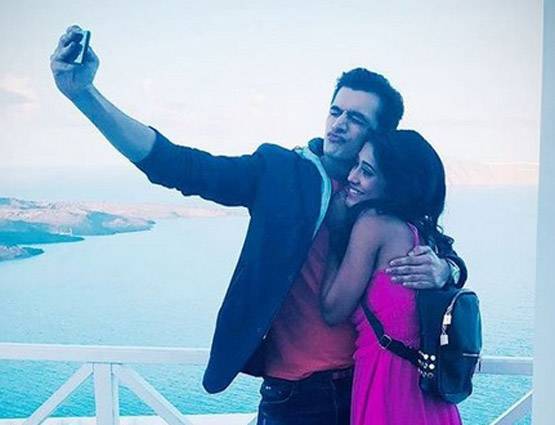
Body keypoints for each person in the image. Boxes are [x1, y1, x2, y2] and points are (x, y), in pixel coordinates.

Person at [50, 25, 467, 425]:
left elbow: (439, 250)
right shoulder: (280, 173)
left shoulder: (384, 197)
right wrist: (85, 95)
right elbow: (179, 166)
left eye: (356, 119)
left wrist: (447, 270)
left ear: (382, 135)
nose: (339, 124)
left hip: (368, 390)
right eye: (335, 110)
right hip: (297, 395)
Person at [321, 130, 462, 424]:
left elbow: (333, 310)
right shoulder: (422, 231)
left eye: (367, 171)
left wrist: (334, 233)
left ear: (395, 182)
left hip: (389, 390)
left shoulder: (374, 225)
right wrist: (450, 268)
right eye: (356, 164)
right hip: (431, 398)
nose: (352, 177)